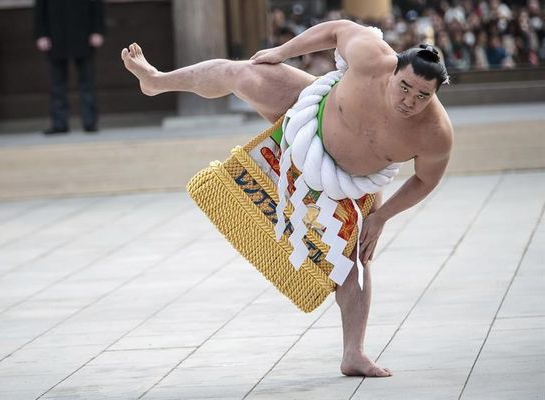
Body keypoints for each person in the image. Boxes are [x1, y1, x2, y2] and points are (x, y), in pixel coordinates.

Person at [121, 20, 453, 377]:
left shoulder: (435, 133)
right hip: (307, 116)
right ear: (394, 70)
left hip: (352, 186)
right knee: (245, 73)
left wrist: (381, 217)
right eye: (405, 87)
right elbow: (335, 30)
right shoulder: (371, 55)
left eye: (422, 96)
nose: (409, 101)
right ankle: (156, 80)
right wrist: (282, 52)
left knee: (356, 261)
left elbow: (425, 179)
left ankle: (353, 353)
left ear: (436, 93)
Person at [34, 0, 106, 134]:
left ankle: (90, 122)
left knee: (87, 82)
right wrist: (41, 34)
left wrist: (97, 30)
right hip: (55, 34)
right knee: (57, 84)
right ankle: (59, 123)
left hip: (83, 33)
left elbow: (97, 5)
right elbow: (40, 8)